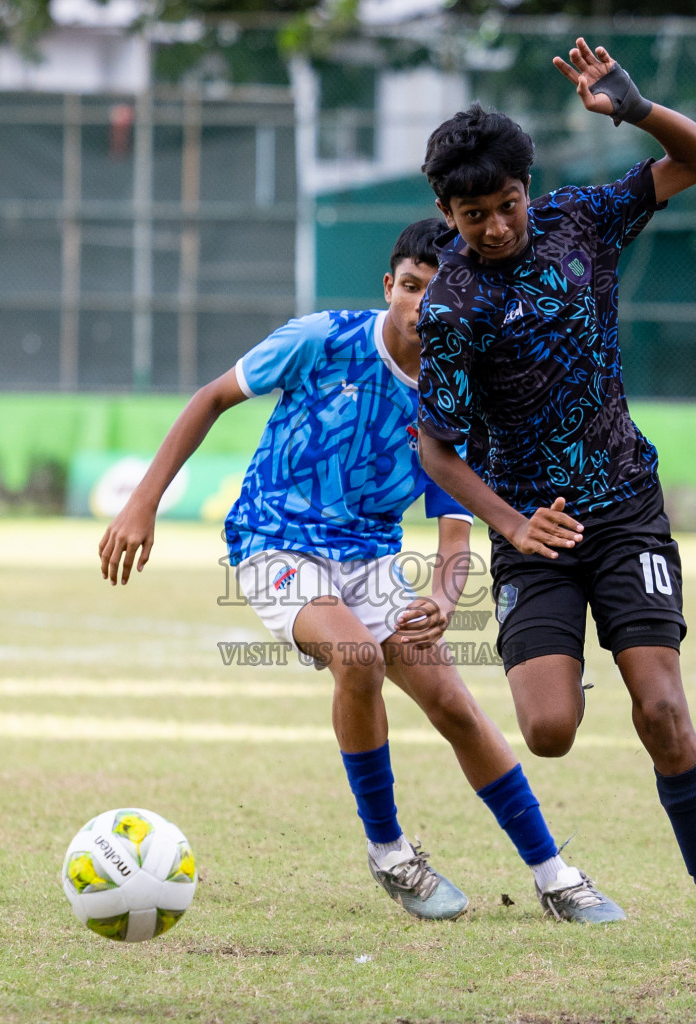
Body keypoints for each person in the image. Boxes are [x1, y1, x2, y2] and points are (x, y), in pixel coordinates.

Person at [99, 220, 623, 924]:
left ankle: (555, 875)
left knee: (456, 708)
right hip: (274, 540)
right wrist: (143, 503)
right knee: (358, 660)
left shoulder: (454, 398)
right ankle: (390, 852)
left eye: (435, 291)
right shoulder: (321, 338)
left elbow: (454, 531)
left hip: (370, 557)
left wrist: (441, 597)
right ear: (390, 285)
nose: (417, 303)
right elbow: (212, 397)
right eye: (409, 286)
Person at [415, 39, 696, 966]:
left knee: (661, 713)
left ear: (530, 187)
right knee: (549, 733)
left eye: (505, 205)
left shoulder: (582, 223)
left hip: (624, 508)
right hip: (533, 533)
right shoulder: (450, 307)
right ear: (445, 215)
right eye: (472, 215)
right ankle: (571, 641)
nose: (494, 227)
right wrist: (511, 525)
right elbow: (439, 451)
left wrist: (639, 108)